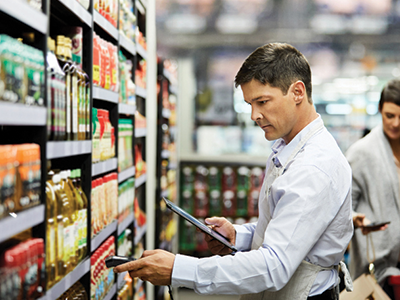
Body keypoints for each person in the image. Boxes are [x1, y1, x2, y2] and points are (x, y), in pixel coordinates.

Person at [114, 43, 354, 300]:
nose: (254, 115)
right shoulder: (288, 147)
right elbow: (287, 228)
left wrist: (179, 269)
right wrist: (238, 235)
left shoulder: (313, 166)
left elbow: (274, 266)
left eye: (262, 101)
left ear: (297, 92)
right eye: (250, 103)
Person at [346, 78, 400, 299]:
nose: (396, 123)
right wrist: (357, 219)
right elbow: (342, 205)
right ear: (379, 111)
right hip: (378, 270)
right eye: (390, 116)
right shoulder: (362, 153)